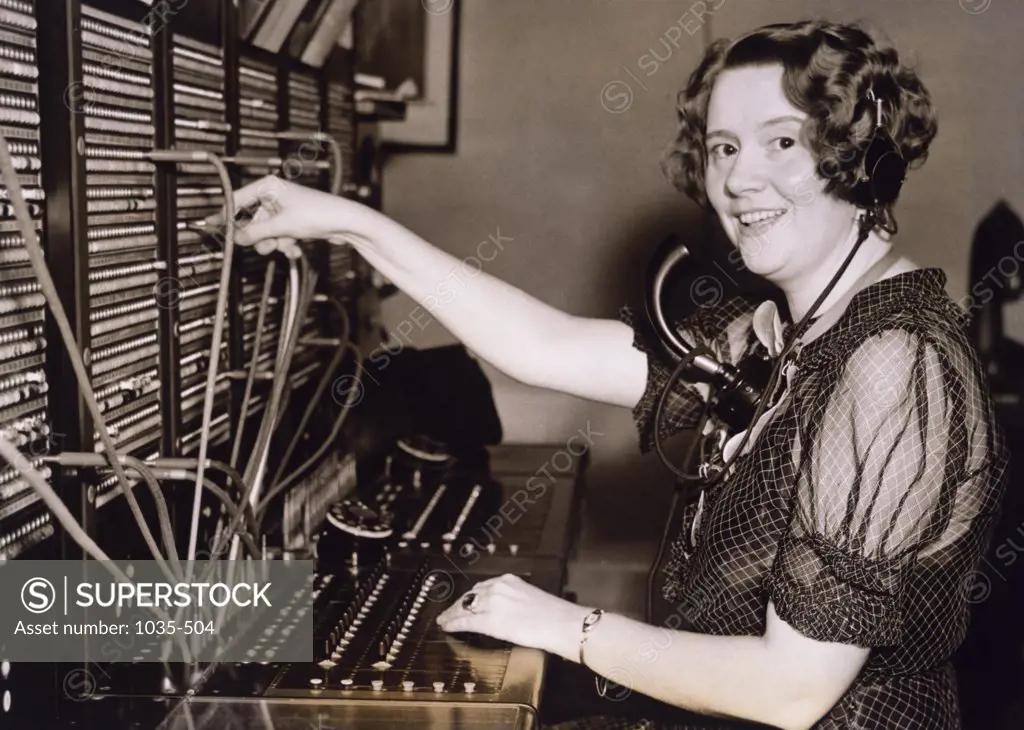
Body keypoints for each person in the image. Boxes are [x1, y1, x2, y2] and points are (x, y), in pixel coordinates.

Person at [209, 19, 1008, 730]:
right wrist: (347, 222)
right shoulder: (791, 333)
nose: (736, 179)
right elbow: (546, 346)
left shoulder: (892, 362)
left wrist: (564, 626)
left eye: (781, 142)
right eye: (723, 148)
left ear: (857, 149)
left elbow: (791, 693)